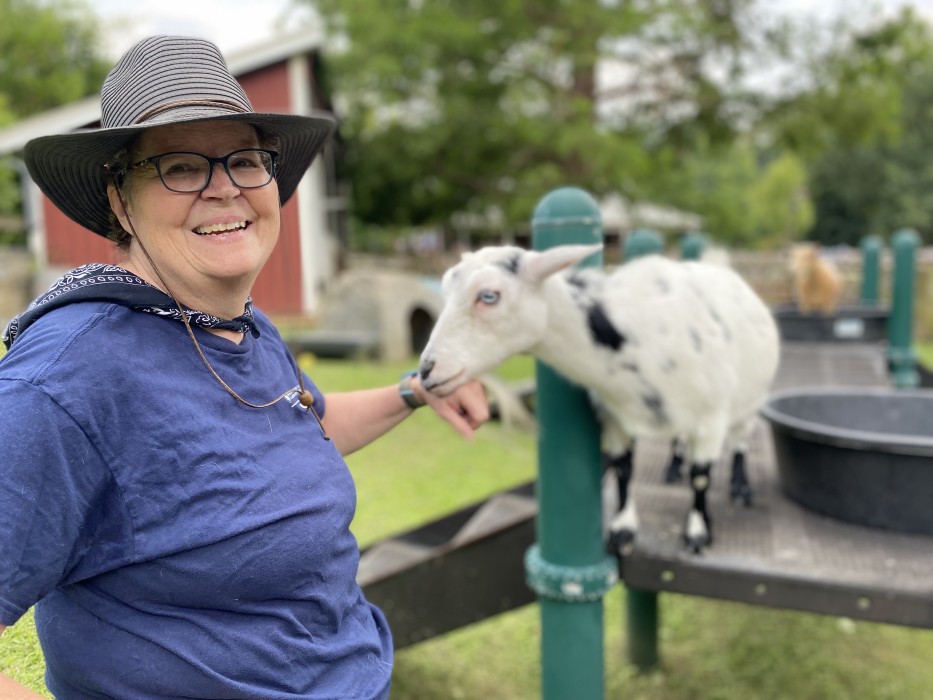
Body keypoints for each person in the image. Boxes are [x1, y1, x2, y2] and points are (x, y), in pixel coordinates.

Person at [0, 35, 488, 699]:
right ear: (120, 200)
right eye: (179, 166)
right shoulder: (65, 378)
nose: (224, 188)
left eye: (243, 160)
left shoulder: (236, 324)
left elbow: (297, 430)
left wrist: (413, 391)